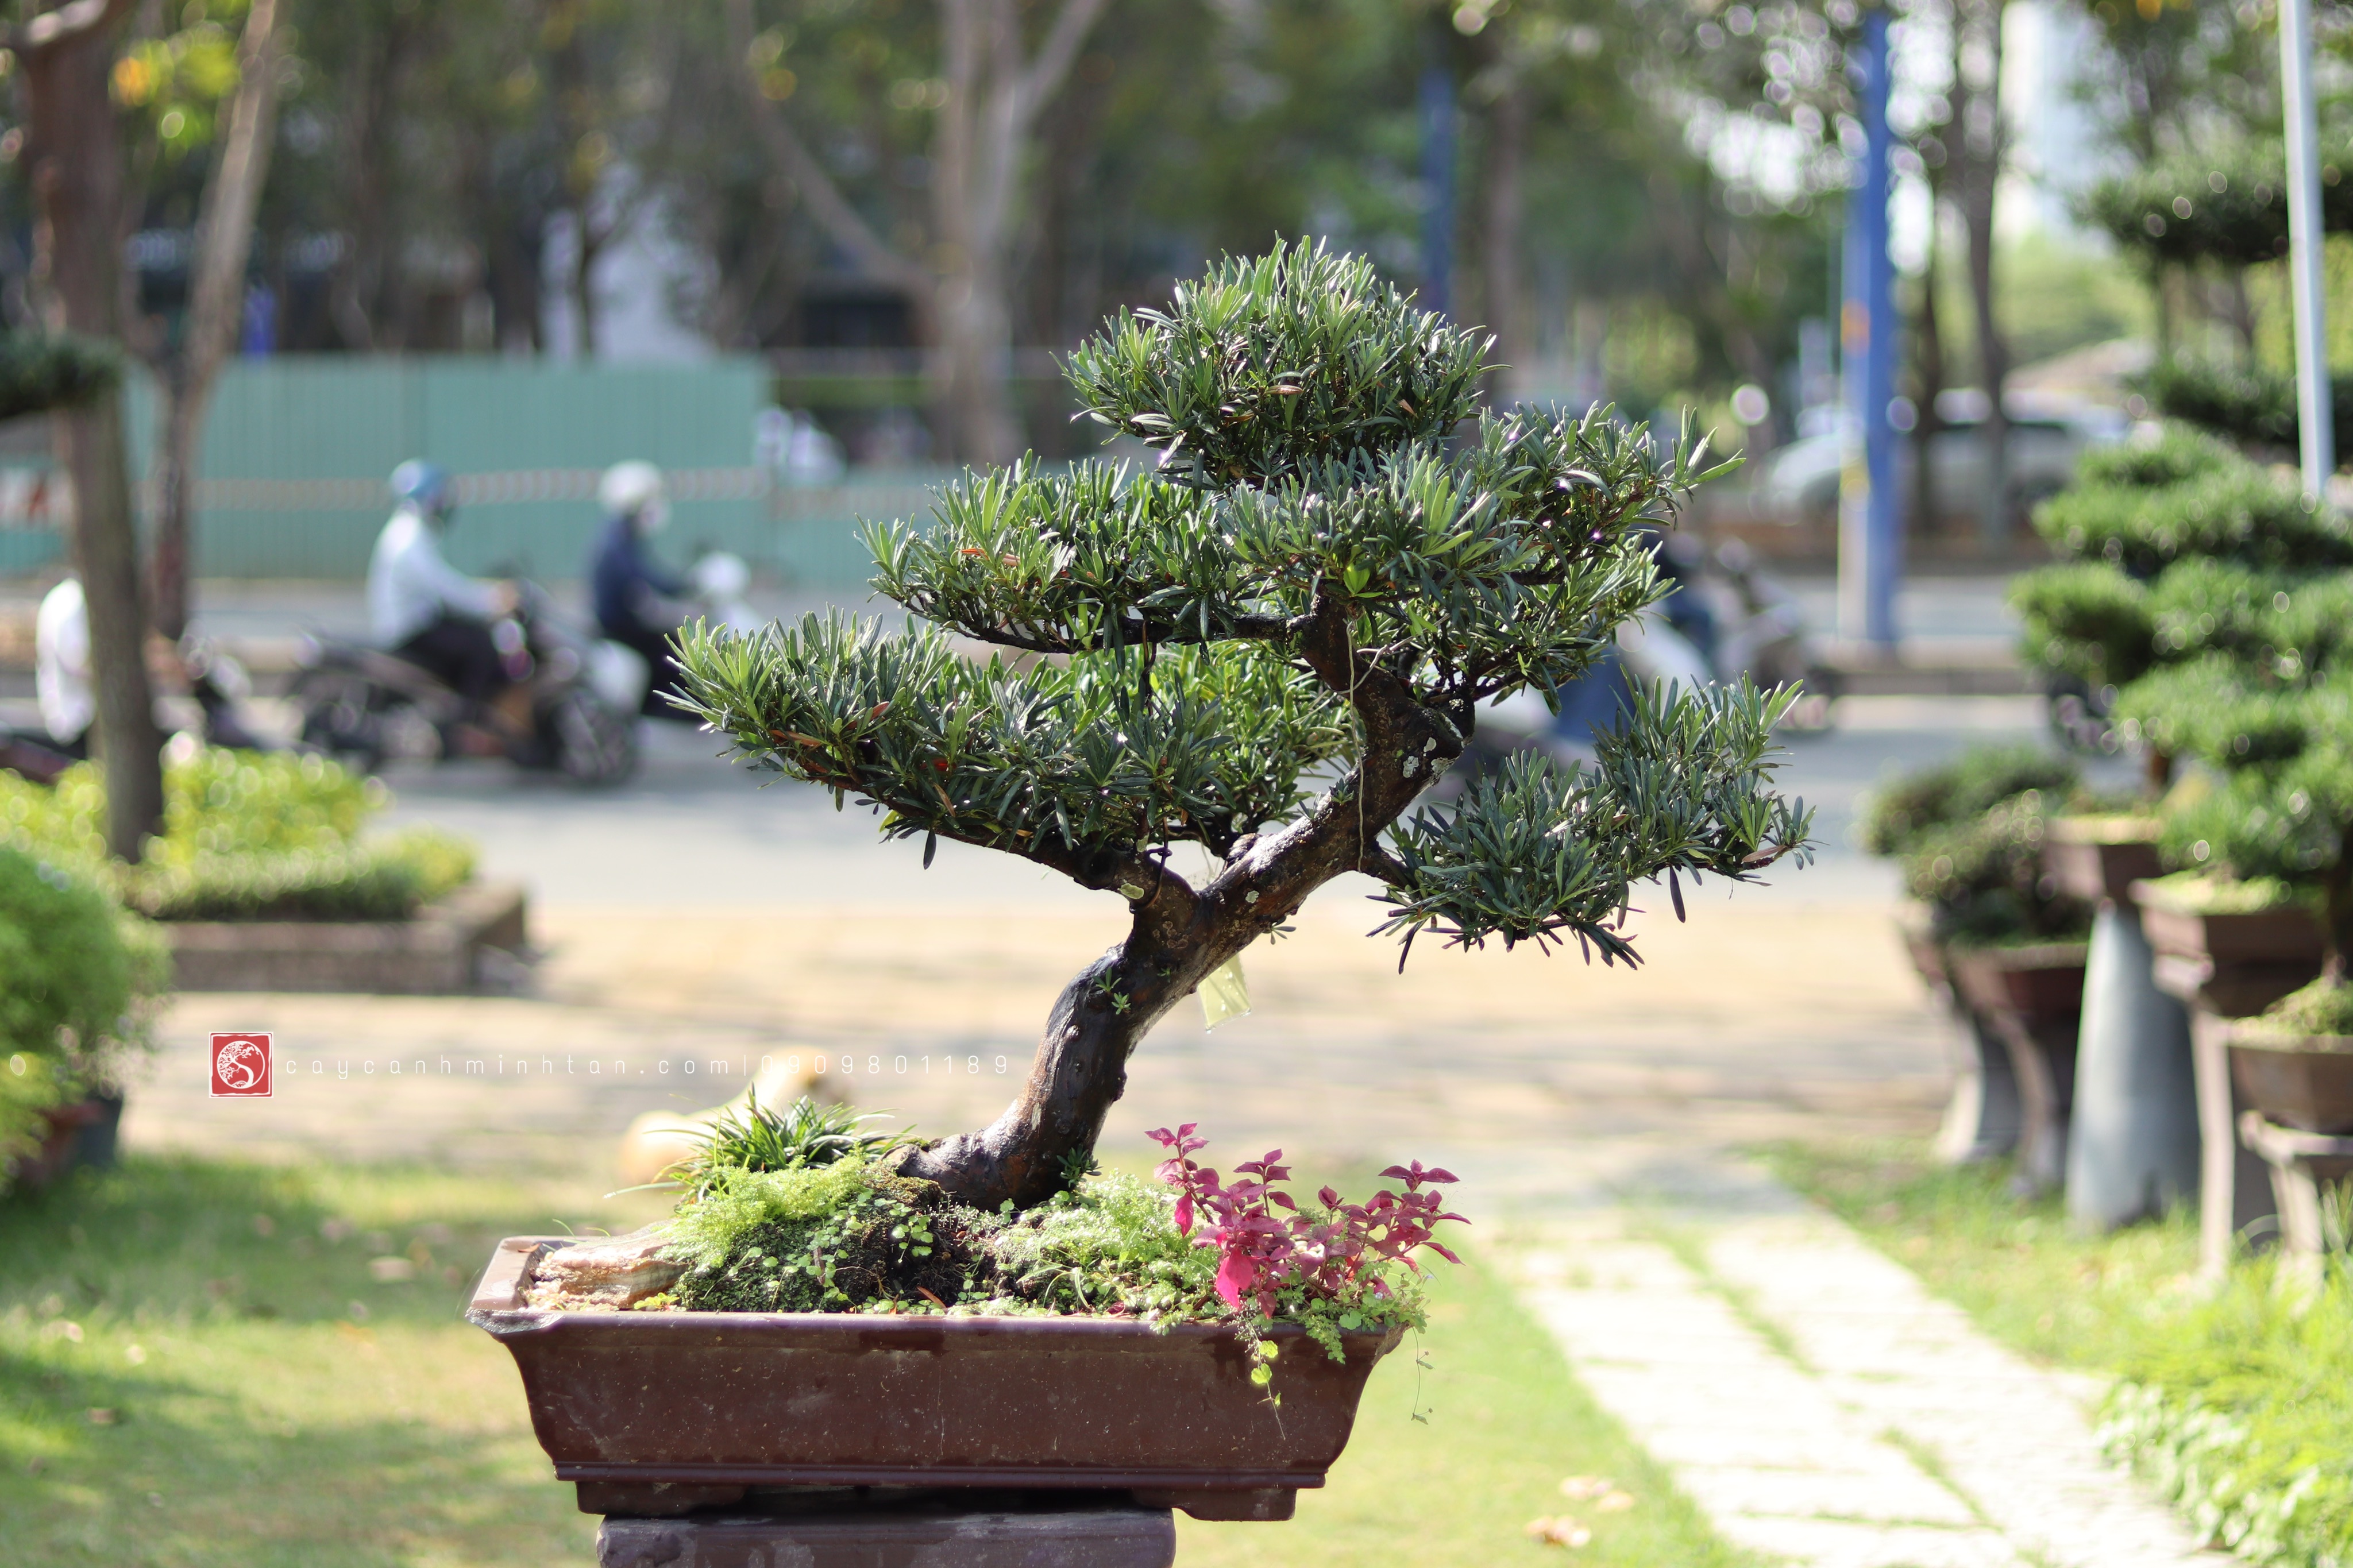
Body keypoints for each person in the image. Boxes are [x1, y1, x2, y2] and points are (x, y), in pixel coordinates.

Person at [366, 460, 514, 707]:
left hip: (418, 624)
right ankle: (469, 720)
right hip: (410, 632)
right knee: (482, 647)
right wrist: (493, 600)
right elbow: (445, 588)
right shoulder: (409, 537)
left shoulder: (407, 532)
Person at [588, 460, 692, 718]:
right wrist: (686, 585)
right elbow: (645, 577)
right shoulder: (618, 541)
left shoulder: (620, 536)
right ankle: (677, 713)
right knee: (674, 653)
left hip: (622, 623)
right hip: (621, 629)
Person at [32, 574, 92, 758]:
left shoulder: (66, 597)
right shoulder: (74, 603)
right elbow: (80, 661)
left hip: (68, 713)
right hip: (78, 718)